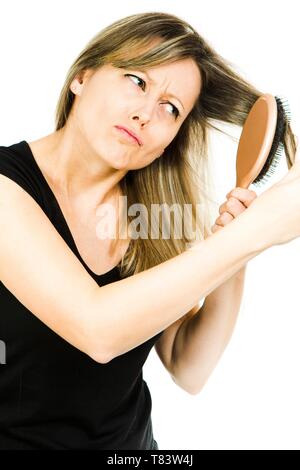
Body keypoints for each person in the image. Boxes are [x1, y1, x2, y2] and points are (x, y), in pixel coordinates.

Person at [0, 11, 299, 450]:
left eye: (170, 109)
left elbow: (189, 367)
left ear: (170, 139)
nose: (145, 113)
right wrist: (255, 232)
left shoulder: (154, 218)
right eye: (137, 81)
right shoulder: (5, 188)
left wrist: (236, 255)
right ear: (82, 76)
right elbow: (97, 329)